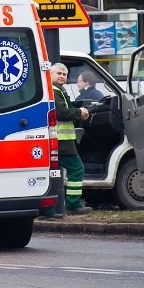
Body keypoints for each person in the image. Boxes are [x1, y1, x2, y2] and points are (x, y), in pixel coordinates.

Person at [41, 63, 93, 219]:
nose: (62, 76)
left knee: (54, 174)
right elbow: (62, 113)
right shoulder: (55, 91)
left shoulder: (55, 90)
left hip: (58, 140)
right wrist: (80, 112)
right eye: (59, 73)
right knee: (77, 169)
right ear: (50, 74)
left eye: (65, 74)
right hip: (62, 141)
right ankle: (73, 204)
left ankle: (49, 211)